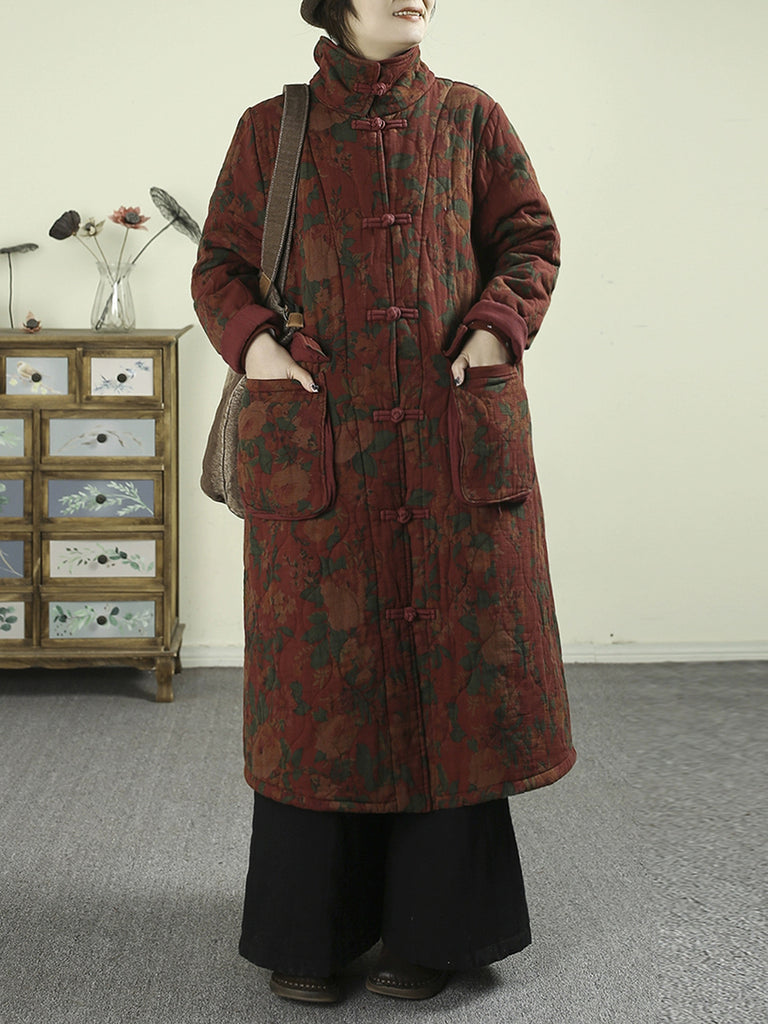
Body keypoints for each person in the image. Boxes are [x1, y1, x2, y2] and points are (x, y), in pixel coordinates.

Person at [191, 0, 576, 1005]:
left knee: (454, 673)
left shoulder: (472, 117)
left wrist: (493, 330)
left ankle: (439, 931)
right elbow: (221, 266)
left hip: (452, 443)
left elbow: (530, 241)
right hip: (323, 453)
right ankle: (311, 930)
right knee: (321, 682)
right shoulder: (270, 130)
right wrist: (260, 350)